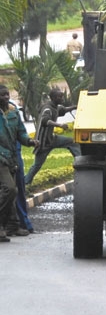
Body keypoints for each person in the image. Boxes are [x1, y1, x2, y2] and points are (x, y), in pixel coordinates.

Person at [0, 85, 38, 243]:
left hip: (11, 159)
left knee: (13, 192)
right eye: (2, 95)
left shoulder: (14, 113)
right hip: (1, 158)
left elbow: (21, 133)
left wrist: (30, 141)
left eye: (7, 94)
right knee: (10, 188)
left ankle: (8, 226)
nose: (6, 97)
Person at [24, 87, 81, 188]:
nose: (62, 98)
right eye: (60, 96)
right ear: (53, 98)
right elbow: (46, 121)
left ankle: (80, 164)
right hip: (43, 142)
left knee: (72, 142)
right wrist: (59, 125)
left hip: (52, 138)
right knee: (37, 165)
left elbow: (63, 110)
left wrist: (76, 107)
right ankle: (25, 182)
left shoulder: (55, 107)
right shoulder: (47, 109)